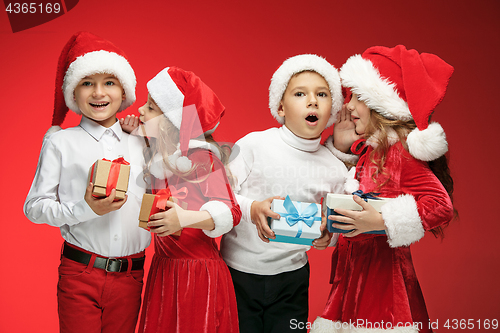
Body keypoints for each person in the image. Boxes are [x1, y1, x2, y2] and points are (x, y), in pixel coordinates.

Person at [312, 45, 456, 333]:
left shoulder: (399, 152)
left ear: (382, 106)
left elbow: (441, 206)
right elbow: (362, 198)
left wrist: (380, 221)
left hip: (383, 281)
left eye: (358, 98)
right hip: (354, 274)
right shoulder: (369, 152)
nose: (349, 106)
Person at [23, 32, 151, 333]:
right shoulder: (60, 143)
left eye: (109, 82)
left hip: (132, 275)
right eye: (86, 83)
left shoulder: (144, 140)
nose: (98, 93)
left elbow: (187, 173)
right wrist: (84, 208)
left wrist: (150, 135)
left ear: (124, 91)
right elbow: (34, 207)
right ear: (73, 93)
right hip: (80, 272)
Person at [220, 54, 348, 333]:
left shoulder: (334, 168)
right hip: (236, 274)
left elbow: (340, 222)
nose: (312, 100)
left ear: (333, 110)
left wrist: (330, 233)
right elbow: (221, 194)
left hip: (292, 280)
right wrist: (252, 208)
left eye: (322, 94)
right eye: (300, 93)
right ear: (280, 106)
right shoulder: (254, 145)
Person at [131, 67, 242, 333]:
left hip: (198, 274)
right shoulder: (159, 164)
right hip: (165, 269)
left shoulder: (203, 159)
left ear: (173, 121)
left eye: (152, 107)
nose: (141, 110)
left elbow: (231, 211)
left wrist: (184, 218)